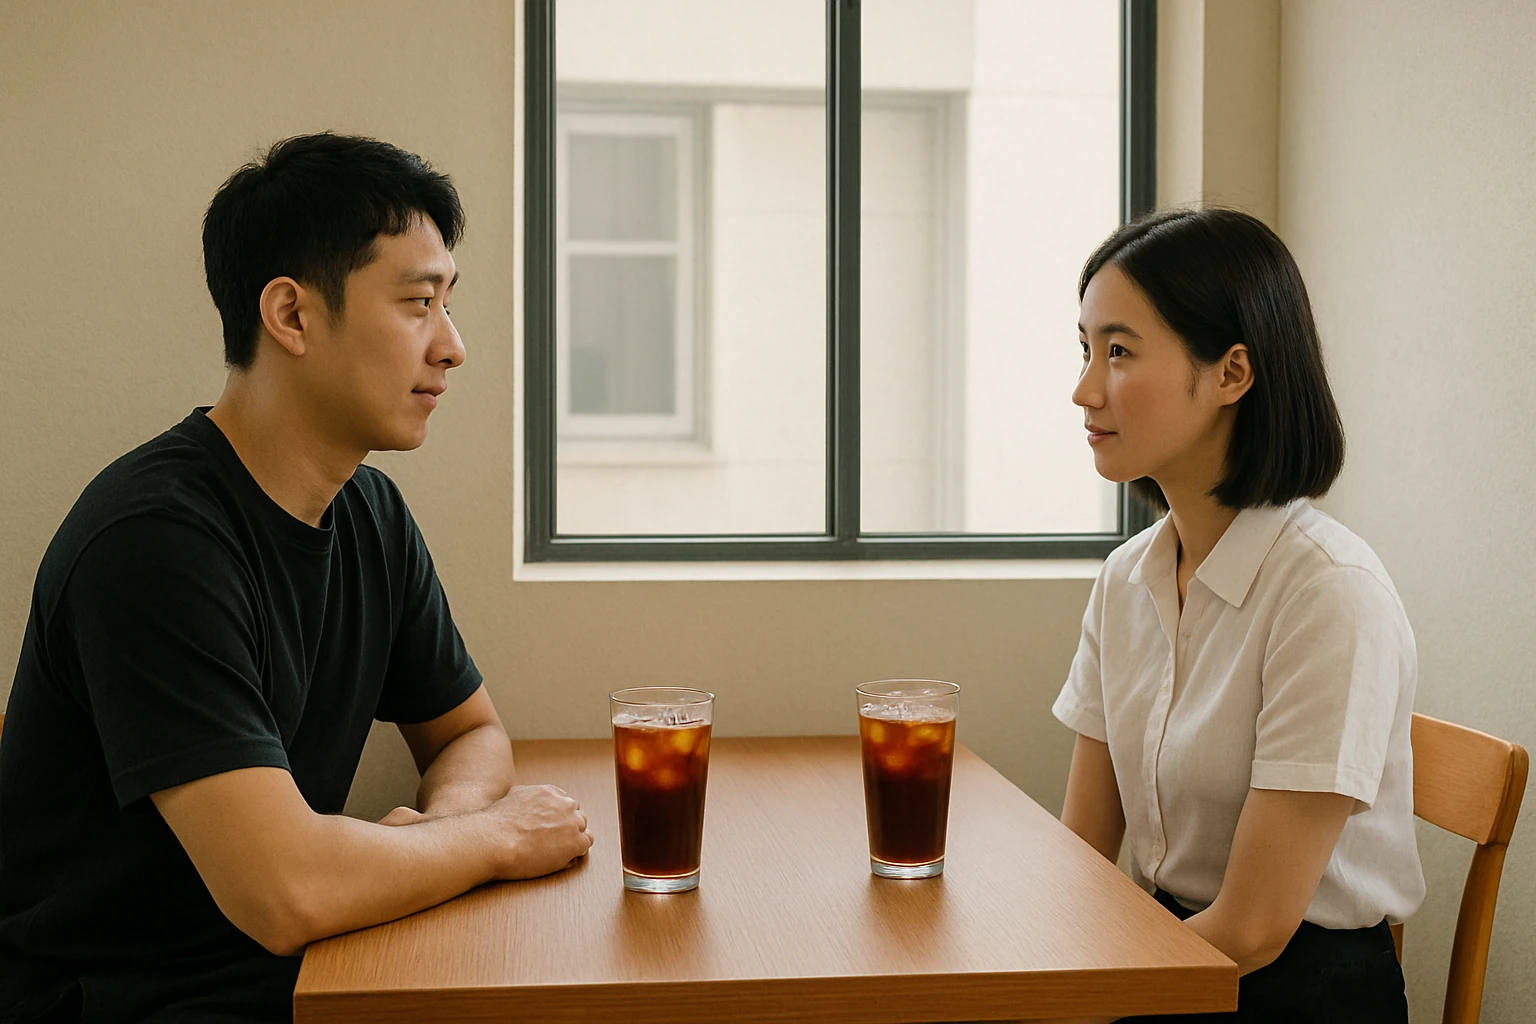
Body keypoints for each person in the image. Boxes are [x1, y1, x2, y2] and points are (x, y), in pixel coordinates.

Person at [0, 134, 594, 1024]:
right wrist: (499, 836)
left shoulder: (370, 515)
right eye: (418, 303)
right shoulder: (153, 542)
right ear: (292, 315)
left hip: (300, 968)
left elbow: (469, 731)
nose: (453, 347)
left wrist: (449, 826)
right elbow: (282, 894)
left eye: (448, 304)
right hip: (126, 999)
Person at [1052, 208, 1423, 1023]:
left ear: (1231, 373)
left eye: (1118, 351)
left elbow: (1255, 928)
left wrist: (1090, 999)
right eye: (1086, 350)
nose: (1085, 391)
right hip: (1170, 950)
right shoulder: (1125, 580)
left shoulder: (1329, 593)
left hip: (1299, 987)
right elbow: (1081, 856)